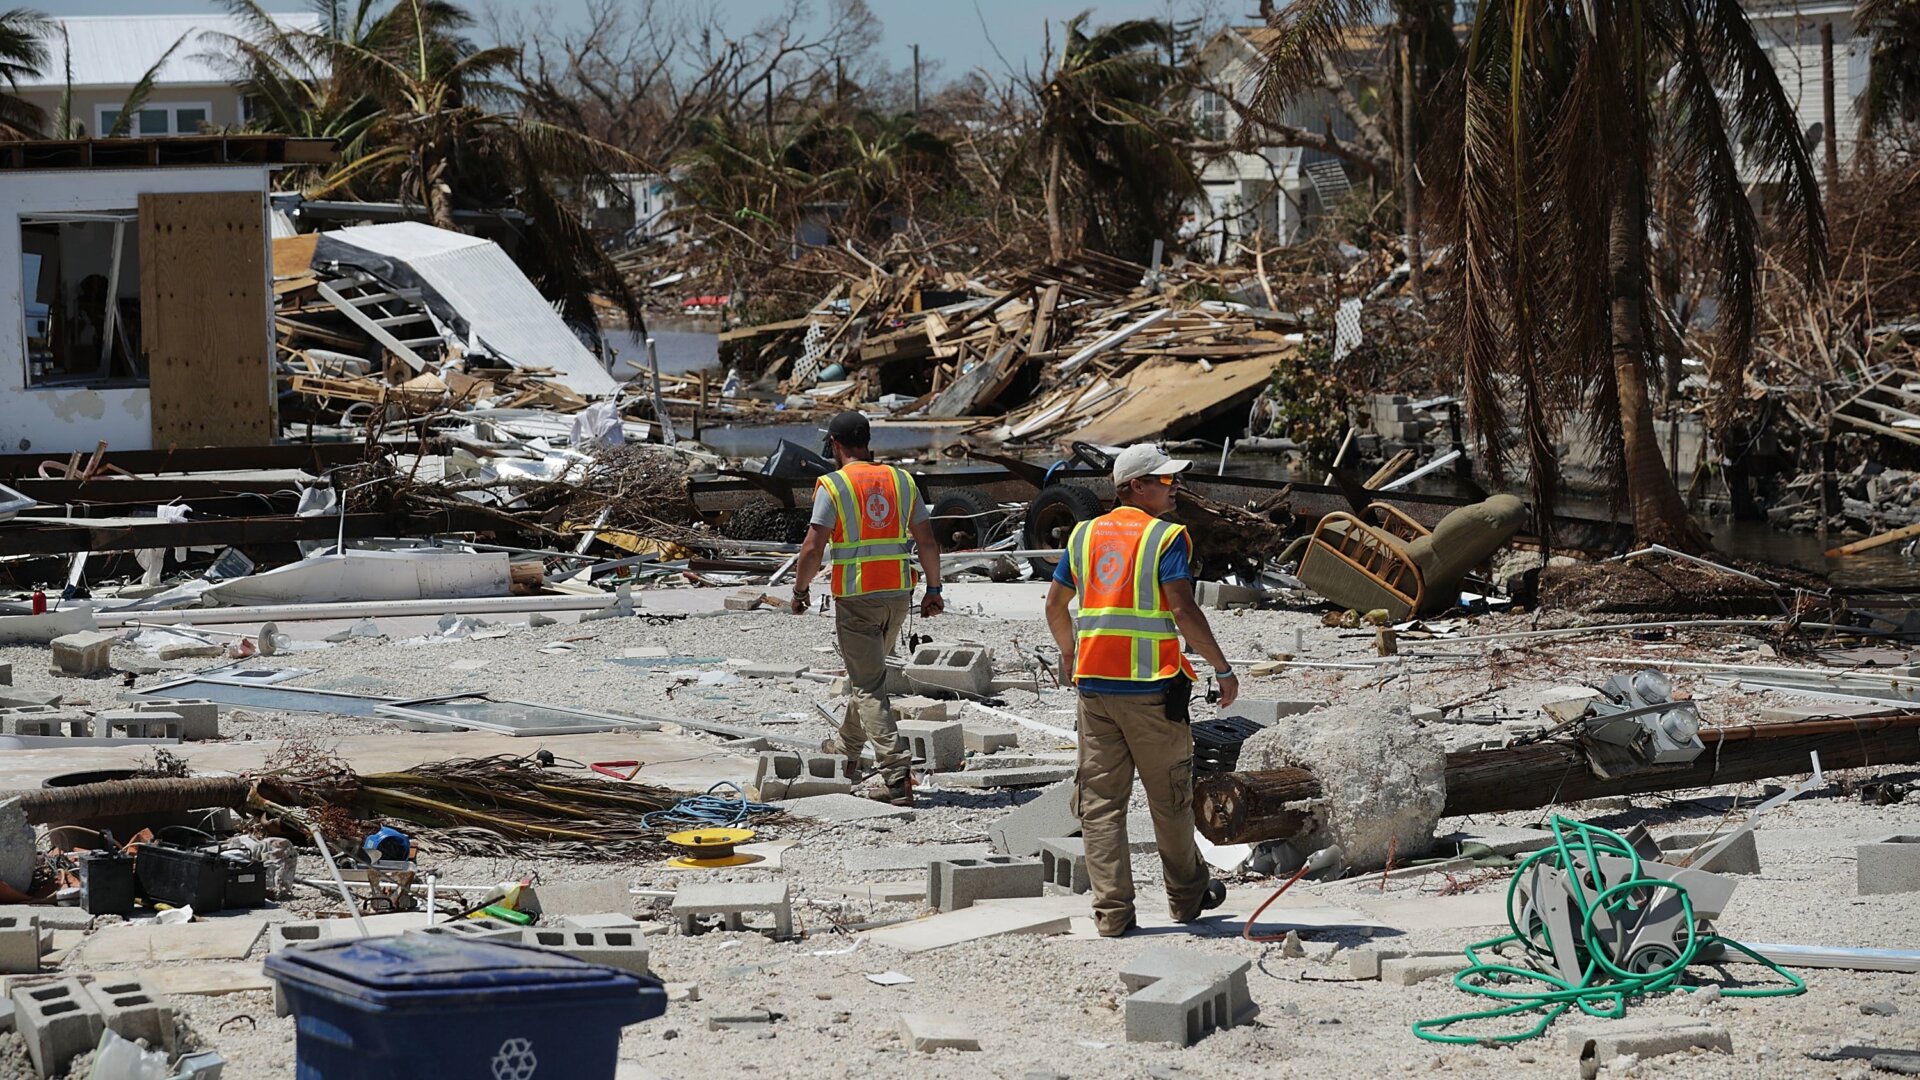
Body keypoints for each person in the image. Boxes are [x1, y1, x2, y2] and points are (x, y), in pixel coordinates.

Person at [1043, 444, 1239, 936]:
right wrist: (1221, 666)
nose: (1174, 488)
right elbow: (1182, 610)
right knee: (1169, 799)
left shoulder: (1084, 535)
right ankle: (1187, 897)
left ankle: (1112, 913)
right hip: (1150, 691)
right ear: (1135, 487)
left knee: (1101, 804)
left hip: (1095, 692)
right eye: (1164, 481)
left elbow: (1055, 606)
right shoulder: (1165, 537)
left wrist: (1070, 653)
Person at [790, 410, 944, 806]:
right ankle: (846, 751)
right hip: (897, 596)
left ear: (836, 446)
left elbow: (812, 547)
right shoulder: (901, 480)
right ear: (867, 441)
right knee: (870, 676)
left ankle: (895, 777)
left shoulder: (834, 485)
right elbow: (926, 540)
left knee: (868, 685)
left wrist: (800, 589)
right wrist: (934, 587)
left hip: (858, 599)